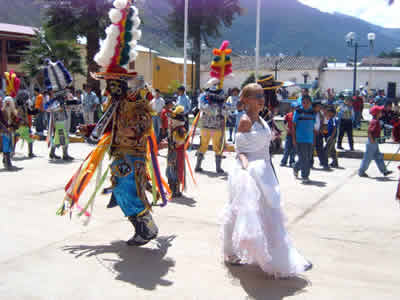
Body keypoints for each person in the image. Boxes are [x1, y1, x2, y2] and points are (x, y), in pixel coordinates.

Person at [61, 1, 166, 247]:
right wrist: (91, 130)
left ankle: (147, 228)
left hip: (132, 155)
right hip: (119, 153)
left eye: (112, 82)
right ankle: (144, 228)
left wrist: (130, 127)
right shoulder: (113, 104)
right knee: (121, 192)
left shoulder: (135, 103)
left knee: (127, 191)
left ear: (121, 83)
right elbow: (107, 127)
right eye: (108, 83)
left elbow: (145, 127)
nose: (109, 87)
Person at [222, 83, 312, 276]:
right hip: (251, 174)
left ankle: (276, 254)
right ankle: (233, 253)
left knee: (269, 214)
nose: (262, 100)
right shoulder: (245, 121)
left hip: (265, 171)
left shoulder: (262, 119)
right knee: (246, 214)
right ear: (246, 100)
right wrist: (248, 170)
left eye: (262, 96)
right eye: (257, 96)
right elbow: (240, 151)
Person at [359, 106, 393, 177]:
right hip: (372, 142)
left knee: (378, 157)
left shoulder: (376, 121)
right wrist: (372, 141)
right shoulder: (375, 122)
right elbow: (369, 132)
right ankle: (361, 171)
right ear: (377, 113)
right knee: (367, 158)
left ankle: (384, 171)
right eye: (380, 111)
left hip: (374, 142)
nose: (382, 113)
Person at [293, 95, 316, 183]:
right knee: (304, 158)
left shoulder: (312, 112)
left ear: (310, 103)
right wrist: (294, 139)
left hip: (310, 139)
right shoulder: (298, 112)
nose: (305, 104)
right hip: (300, 139)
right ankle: (305, 176)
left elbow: (313, 127)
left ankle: (296, 166)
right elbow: (293, 126)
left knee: (308, 158)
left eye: (307, 102)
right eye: (303, 102)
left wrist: (314, 139)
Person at [166, 105, 187, 198]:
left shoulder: (180, 130)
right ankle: (171, 189)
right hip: (172, 152)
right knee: (170, 170)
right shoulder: (173, 129)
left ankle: (176, 190)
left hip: (177, 153)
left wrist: (169, 145)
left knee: (175, 171)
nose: (170, 121)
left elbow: (179, 143)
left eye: (171, 120)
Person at [0, 96, 19, 169]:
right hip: (4, 130)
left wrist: (12, 125)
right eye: (6, 102)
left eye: (9, 102)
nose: (7, 103)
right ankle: (7, 161)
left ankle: (7, 160)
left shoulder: (13, 111)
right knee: (6, 145)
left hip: (9, 130)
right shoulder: (2, 110)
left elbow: (15, 120)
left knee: (8, 145)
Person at [312, 101, 329, 169]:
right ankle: (310, 163)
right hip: (311, 133)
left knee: (320, 149)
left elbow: (325, 124)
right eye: (318, 106)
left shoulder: (321, 114)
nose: (320, 107)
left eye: (320, 106)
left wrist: (321, 130)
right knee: (310, 149)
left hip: (319, 133)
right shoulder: (310, 113)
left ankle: (324, 163)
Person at [280, 103, 296, 167]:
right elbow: (284, 123)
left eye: (295, 108)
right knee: (287, 148)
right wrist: (286, 128)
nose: (294, 109)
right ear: (291, 108)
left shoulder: (298, 116)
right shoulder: (288, 115)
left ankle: (292, 161)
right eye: (293, 108)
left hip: (295, 135)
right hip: (289, 134)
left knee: (294, 149)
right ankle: (284, 161)